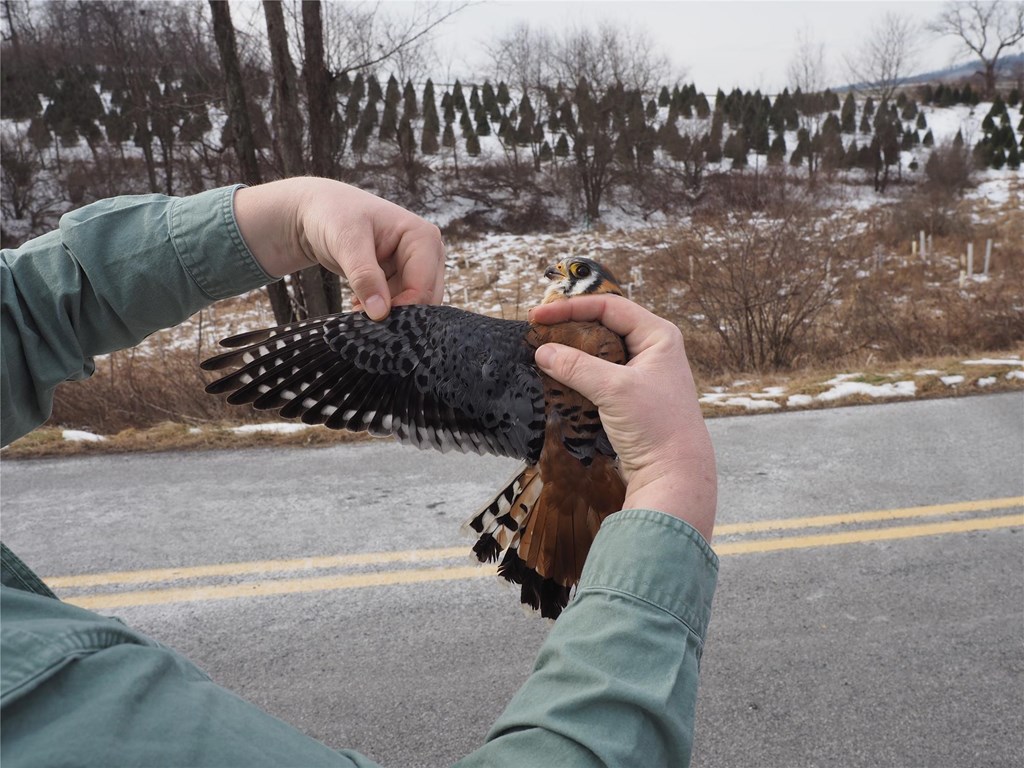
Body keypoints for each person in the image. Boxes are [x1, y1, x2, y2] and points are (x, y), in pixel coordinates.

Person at [0, 178, 718, 767]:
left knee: (407, 332)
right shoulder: (59, 719)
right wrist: (670, 486)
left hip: (568, 475)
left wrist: (285, 214)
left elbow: (24, 308)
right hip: (594, 476)